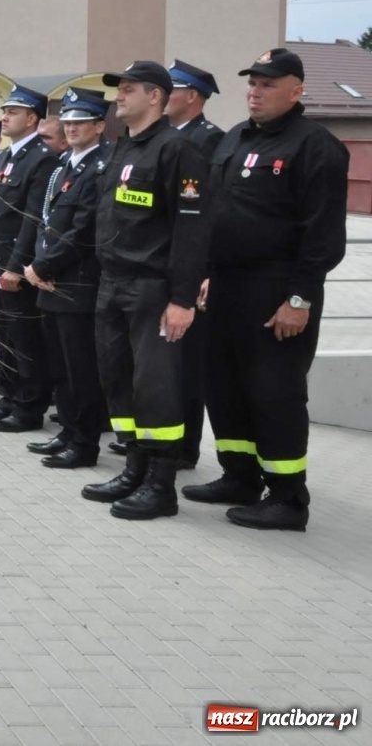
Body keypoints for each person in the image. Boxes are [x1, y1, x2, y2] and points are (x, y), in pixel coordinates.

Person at [186, 48, 348, 530]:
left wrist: (299, 299)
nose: (255, 91)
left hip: (277, 289)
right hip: (228, 286)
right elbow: (219, 213)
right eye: (253, 83)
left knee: (273, 392)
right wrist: (208, 273)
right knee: (225, 386)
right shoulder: (235, 138)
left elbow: (323, 237)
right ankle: (239, 475)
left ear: (296, 91)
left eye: (268, 84)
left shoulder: (314, 145)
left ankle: (287, 497)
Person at [81, 61, 209, 520]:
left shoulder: (177, 150)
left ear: (155, 96)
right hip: (113, 284)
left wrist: (181, 299)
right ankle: (133, 469)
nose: (120, 96)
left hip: (153, 289)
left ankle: (161, 485)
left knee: (157, 388)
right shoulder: (122, 148)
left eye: (129, 89)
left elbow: (192, 231)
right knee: (119, 381)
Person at [23, 88, 111, 468]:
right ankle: (69, 431)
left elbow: (83, 231)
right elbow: (48, 223)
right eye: (69, 123)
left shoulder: (99, 169)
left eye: (81, 123)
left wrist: (43, 267)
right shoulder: (65, 166)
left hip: (75, 283)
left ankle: (85, 442)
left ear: (100, 126)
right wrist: (38, 265)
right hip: (50, 282)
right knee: (59, 365)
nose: (72, 129)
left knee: (81, 369)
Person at [0, 85, 62, 432]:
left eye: (13, 111)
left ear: (32, 119)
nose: (4, 117)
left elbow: (31, 219)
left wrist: (15, 266)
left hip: (13, 263)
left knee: (24, 337)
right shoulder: (9, 156)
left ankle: (29, 406)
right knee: (3, 334)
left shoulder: (41, 158)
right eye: (5, 110)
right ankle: (10, 396)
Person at [166, 58, 224, 467]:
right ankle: (163, 437)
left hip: (191, 266)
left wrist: (203, 271)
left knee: (187, 364)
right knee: (163, 360)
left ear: (193, 96)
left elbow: (208, 213)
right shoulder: (167, 139)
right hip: (165, 263)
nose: (165, 96)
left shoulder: (208, 141)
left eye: (172, 89)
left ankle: (185, 447)